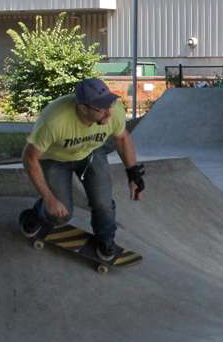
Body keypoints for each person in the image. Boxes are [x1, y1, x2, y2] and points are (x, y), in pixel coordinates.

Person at [17, 77, 145, 262]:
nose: (108, 114)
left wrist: (133, 174)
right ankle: (35, 215)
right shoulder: (54, 120)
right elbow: (29, 157)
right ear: (83, 107)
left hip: (90, 153)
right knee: (60, 214)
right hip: (54, 160)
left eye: (109, 104)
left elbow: (122, 138)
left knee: (103, 203)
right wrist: (49, 198)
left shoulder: (113, 110)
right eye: (101, 109)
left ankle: (106, 240)